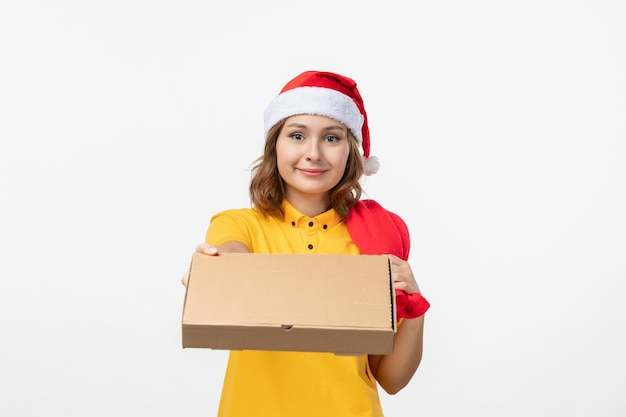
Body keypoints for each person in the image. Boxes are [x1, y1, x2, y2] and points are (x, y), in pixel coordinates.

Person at [182, 70, 430, 417]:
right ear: (275, 145)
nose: (313, 153)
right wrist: (220, 271)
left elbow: (390, 379)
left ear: (350, 151)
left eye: (331, 138)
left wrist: (415, 313)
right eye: (297, 135)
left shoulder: (374, 241)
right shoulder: (241, 224)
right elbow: (232, 253)